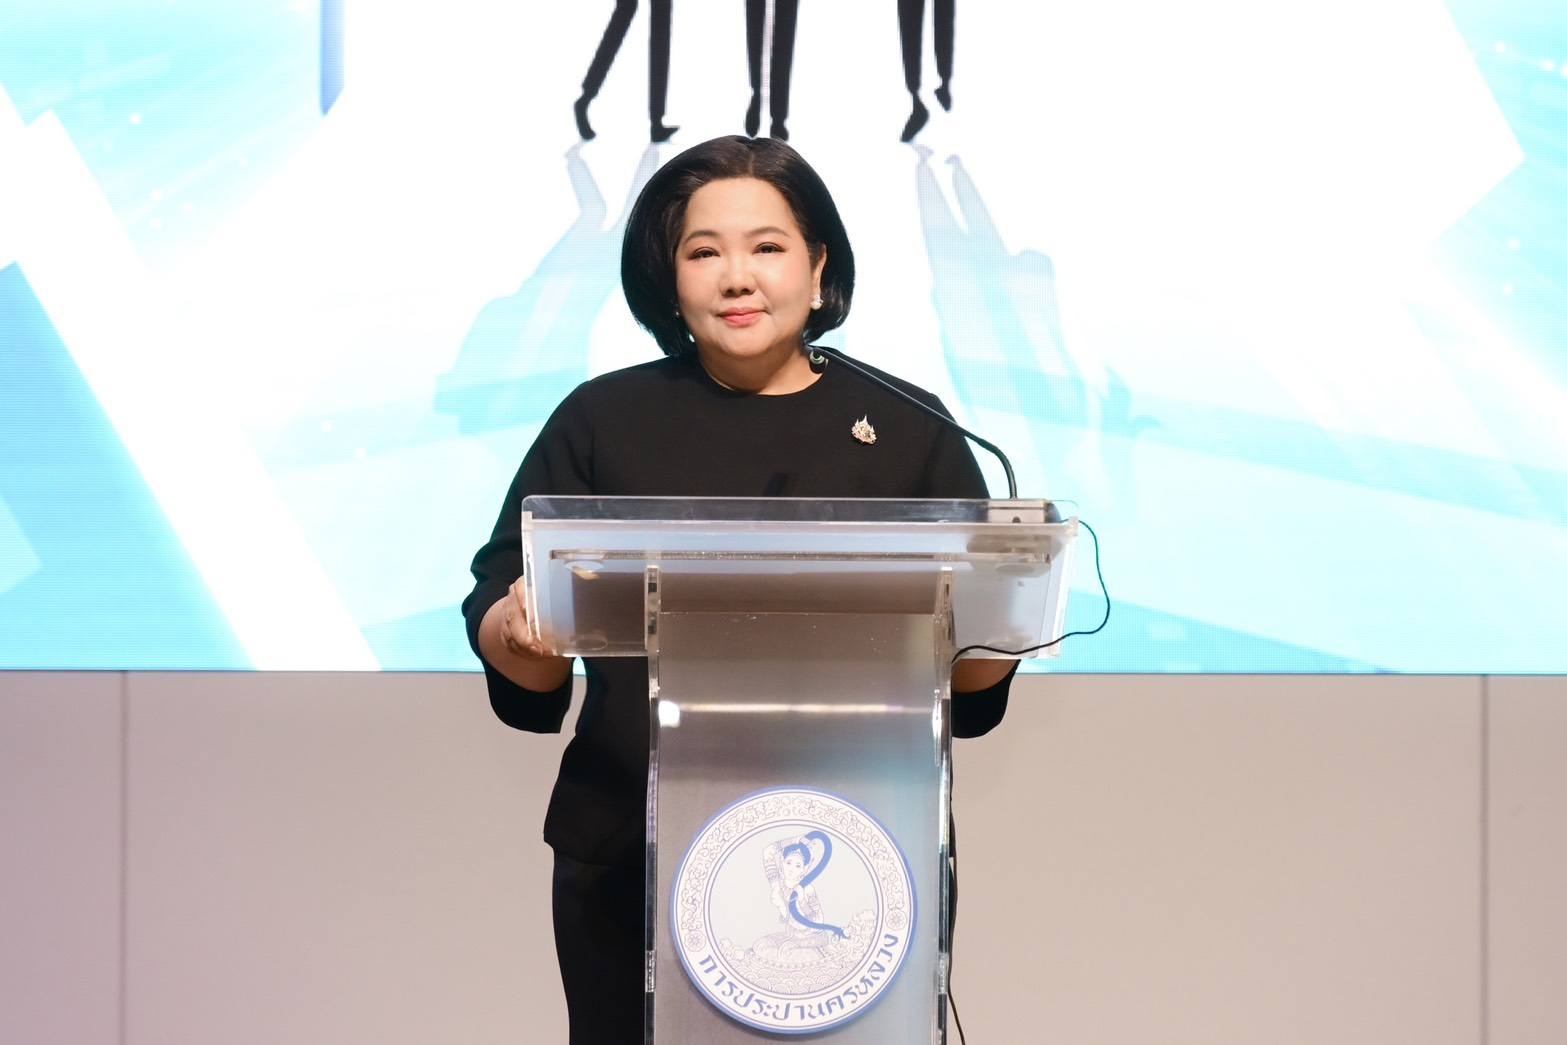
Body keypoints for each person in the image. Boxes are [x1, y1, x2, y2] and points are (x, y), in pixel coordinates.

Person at [461, 135, 1017, 1043]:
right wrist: (516, 632)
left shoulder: (909, 426)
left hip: (862, 844)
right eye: (703, 251)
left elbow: (971, 691)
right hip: (630, 844)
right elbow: (511, 625)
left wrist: (1003, 624)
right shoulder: (603, 419)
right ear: (667, 275)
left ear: (818, 265)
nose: (736, 277)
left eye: (766, 246)